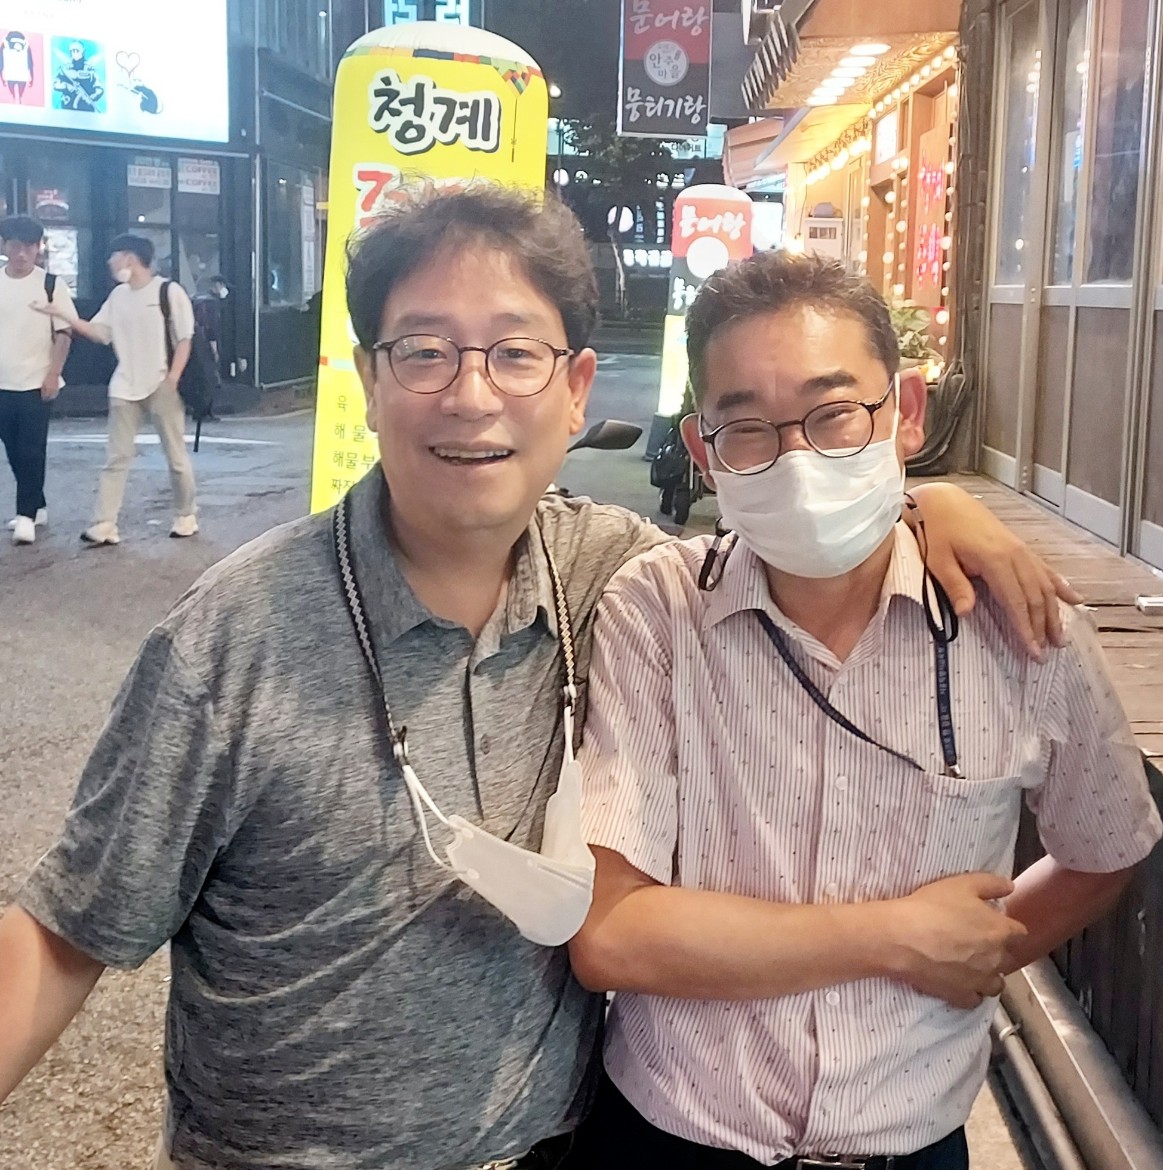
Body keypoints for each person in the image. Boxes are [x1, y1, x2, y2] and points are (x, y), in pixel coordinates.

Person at [0, 186, 1076, 1170]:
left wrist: (923, 503)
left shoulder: (622, 578)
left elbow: (789, 532)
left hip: (554, 1151)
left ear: (573, 390)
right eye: (423, 352)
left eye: (514, 354)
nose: (471, 397)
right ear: (369, 381)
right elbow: (62, 934)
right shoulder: (232, 640)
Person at [567, 251, 1163, 1170]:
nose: (798, 459)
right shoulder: (658, 609)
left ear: (905, 411)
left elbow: (1105, 846)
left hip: (910, 1142)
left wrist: (978, 953)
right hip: (671, 1134)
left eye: (835, 412)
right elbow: (612, 934)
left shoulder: (1018, 624)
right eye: (748, 428)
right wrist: (900, 941)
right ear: (704, 454)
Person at [36, 234, 198, 545]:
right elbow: (100, 333)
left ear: (130, 258)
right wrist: (63, 315)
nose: (110, 262)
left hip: (162, 384)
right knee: (116, 458)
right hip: (124, 385)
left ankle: (186, 514)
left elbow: (184, 338)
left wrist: (173, 378)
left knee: (176, 456)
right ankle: (104, 524)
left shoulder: (168, 291)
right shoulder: (118, 296)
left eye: (114, 256)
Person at [0, 215, 74, 545]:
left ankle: (25, 515)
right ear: (4, 246)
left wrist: (53, 373)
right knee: (13, 448)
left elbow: (64, 333)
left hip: (36, 380)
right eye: (16, 246)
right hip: (2, 380)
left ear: (38, 248)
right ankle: (37, 503)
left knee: (31, 449)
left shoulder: (51, 285)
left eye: (29, 247)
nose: (22, 254)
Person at [53, 40, 103, 112]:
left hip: (87, 109)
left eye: (77, 51)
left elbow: (99, 88)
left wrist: (92, 97)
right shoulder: (65, 68)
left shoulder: (89, 69)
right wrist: (67, 86)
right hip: (67, 107)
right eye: (72, 51)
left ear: (83, 52)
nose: (74, 53)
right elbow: (55, 84)